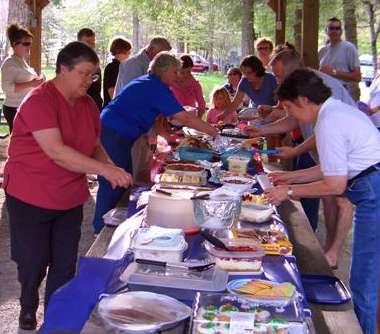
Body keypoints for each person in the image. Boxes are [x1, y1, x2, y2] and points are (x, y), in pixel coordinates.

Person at [3, 41, 132, 331]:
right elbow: (57, 151)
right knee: (34, 261)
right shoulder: (39, 101)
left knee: (64, 265)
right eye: (84, 74)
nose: (89, 81)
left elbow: (94, 145)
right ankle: (27, 304)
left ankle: (55, 320)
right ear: (63, 69)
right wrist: (103, 170)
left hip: (69, 197)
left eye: (93, 76)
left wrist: (111, 167)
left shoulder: (87, 104)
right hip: (30, 194)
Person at [265, 69, 380, 334]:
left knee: (364, 278)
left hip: (373, 188)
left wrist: (290, 192)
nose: (291, 115)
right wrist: (289, 177)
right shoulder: (334, 112)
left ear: (304, 100)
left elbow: (335, 184)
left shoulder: (329, 121)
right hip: (369, 184)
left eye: (290, 107)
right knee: (365, 274)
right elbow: (329, 169)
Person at [92, 52, 218, 233]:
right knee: (111, 180)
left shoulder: (152, 84)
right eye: (175, 72)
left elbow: (154, 117)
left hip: (120, 133)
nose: (178, 75)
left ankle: (112, 223)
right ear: (164, 71)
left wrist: (166, 137)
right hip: (114, 132)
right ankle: (101, 228)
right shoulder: (154, 86)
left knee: (123, 179)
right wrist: (213, 131)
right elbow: (184, 117)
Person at [113, 36, 172, 185]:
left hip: (141, 126)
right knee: (128, 170)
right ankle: (121, 205)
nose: (164, 59)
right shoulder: (133, 65)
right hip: (126, 126)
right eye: (162, 55)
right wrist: (150, 131)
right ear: (151, 50)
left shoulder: (154, 68)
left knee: (140, 170)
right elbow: (134, 102)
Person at [1, 23, 43, 133]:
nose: (29, 47)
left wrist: (36, 82)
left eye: (30, 44)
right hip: (14, 108)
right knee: (19, 141)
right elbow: (7, 88)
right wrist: (31, 84)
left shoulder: (21, 61)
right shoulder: (10, 63)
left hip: (23, 106)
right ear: (15, 44)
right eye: (26, 43)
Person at [319, 17, 361, 90]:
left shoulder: (349, 48)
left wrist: (333, 72)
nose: (334, 31)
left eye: (337, 28)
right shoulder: (322, 50)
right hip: (322, 91)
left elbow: (357, 77)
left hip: (340, 90)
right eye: (331, 28)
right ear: (326, 31)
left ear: (341, 31)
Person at [77, 28, 103, 110]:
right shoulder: (73, 61)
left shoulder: (95, 59)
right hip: (80, 106)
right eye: (88, 42)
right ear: (79, 42)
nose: (91, 45)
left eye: (93, 42)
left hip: (95, 104)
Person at [103, 37, 132, 108]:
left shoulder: (122, 67)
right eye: (127, 52)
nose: (129, 55)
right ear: (120, 52)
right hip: (113, 110)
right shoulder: (112, 68)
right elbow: (113, 94)